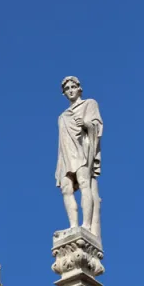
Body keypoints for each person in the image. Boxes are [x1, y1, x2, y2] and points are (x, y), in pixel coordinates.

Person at [55, 76, 103, 237]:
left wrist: (85, 124)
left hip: (82, 150)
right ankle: (73, 225)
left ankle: (86, 225)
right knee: (66, 188)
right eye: (67, 89)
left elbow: (97, 126)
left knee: (84, 183)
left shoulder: (89, 104)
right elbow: (61, 143)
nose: (70, 90)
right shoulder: (62, 116)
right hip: (66, 156)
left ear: (79, 88)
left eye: (72, 87)